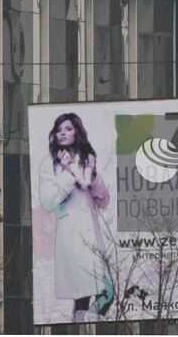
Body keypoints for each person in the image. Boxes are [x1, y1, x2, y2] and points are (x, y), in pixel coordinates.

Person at [38, 113, 114, 323]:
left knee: (92, 296)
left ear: (77, 132)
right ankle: (85, 327)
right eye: (59, 129)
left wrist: (93, 176)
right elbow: (47, 202)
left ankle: (81, 326)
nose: (63, 133)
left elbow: (104, 201)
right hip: (72, 239)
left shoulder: (87, 160)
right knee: (102, 293)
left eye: (68, 128)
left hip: (93, 240)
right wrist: (69, 175)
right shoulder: (50, 164)